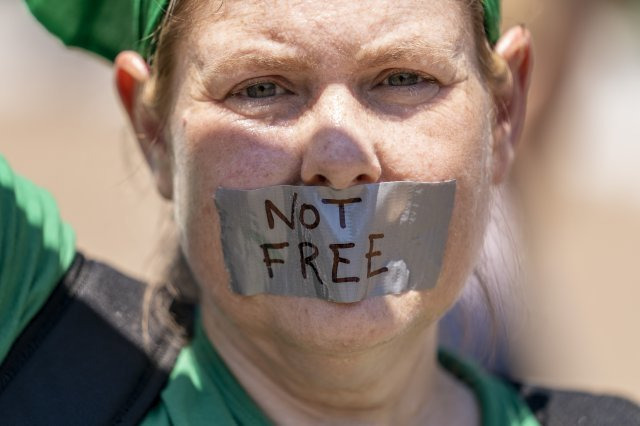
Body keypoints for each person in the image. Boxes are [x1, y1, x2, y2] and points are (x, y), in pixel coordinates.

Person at [1, 0, 638, 425]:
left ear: (503, 115)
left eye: (402, 77)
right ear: (153, 132)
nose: (338, 157)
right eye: (260, 87)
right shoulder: (29, 341)